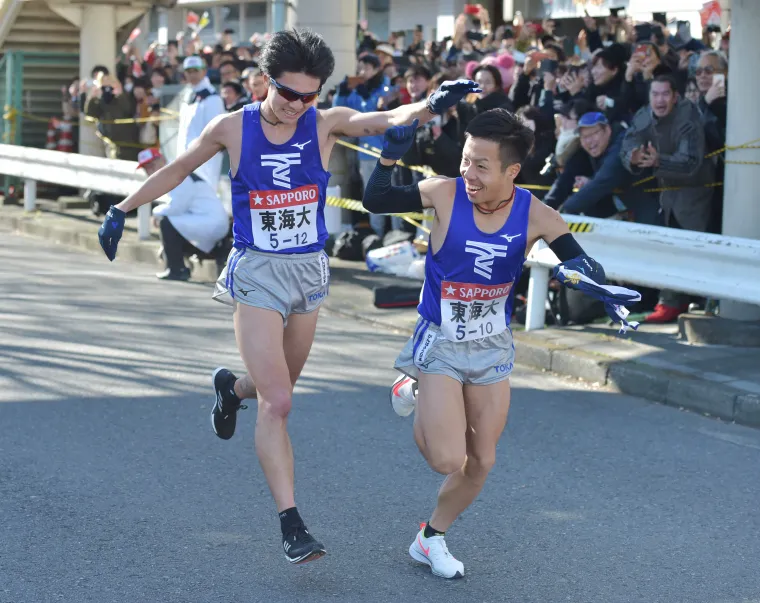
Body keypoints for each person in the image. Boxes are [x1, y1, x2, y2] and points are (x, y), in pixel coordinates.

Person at [97, 27, 480, 566]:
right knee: (279, 402)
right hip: (256, 274)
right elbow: (179, 168)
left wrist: (433, 100)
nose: (299, 105)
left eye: (309, 95)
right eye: (288, 93)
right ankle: (291, 523)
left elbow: (388, 118)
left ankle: (231, 387)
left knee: (272, 385)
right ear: (264, 81)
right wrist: (122, 208)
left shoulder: (324, 124)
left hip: (307, 275)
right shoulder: (232, 127)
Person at [362, 108, 639, 579]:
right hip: (442, 342)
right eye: (466, 160)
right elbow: (376, 200)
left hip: (493, 347)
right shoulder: (445, 193)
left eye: (481, 165)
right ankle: (412, 388)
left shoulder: (537, 212)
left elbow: (580, 260)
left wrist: (596, 285)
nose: (468, 172)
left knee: (482, 460)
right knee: (448, 458)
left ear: (512, 171)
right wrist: (390, 157)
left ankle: (431, 538)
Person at [136, 147, 230, 281]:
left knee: (166, 223)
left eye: (152, 165)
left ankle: (176, 270)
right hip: (207, 222)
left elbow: (176, 207)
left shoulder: (178, 175)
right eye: (146, 168)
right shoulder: (173, 174)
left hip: (211, 223)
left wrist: (155, 213)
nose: (150, 171)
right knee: (171, 226)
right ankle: (220, 251)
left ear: (162, 160)